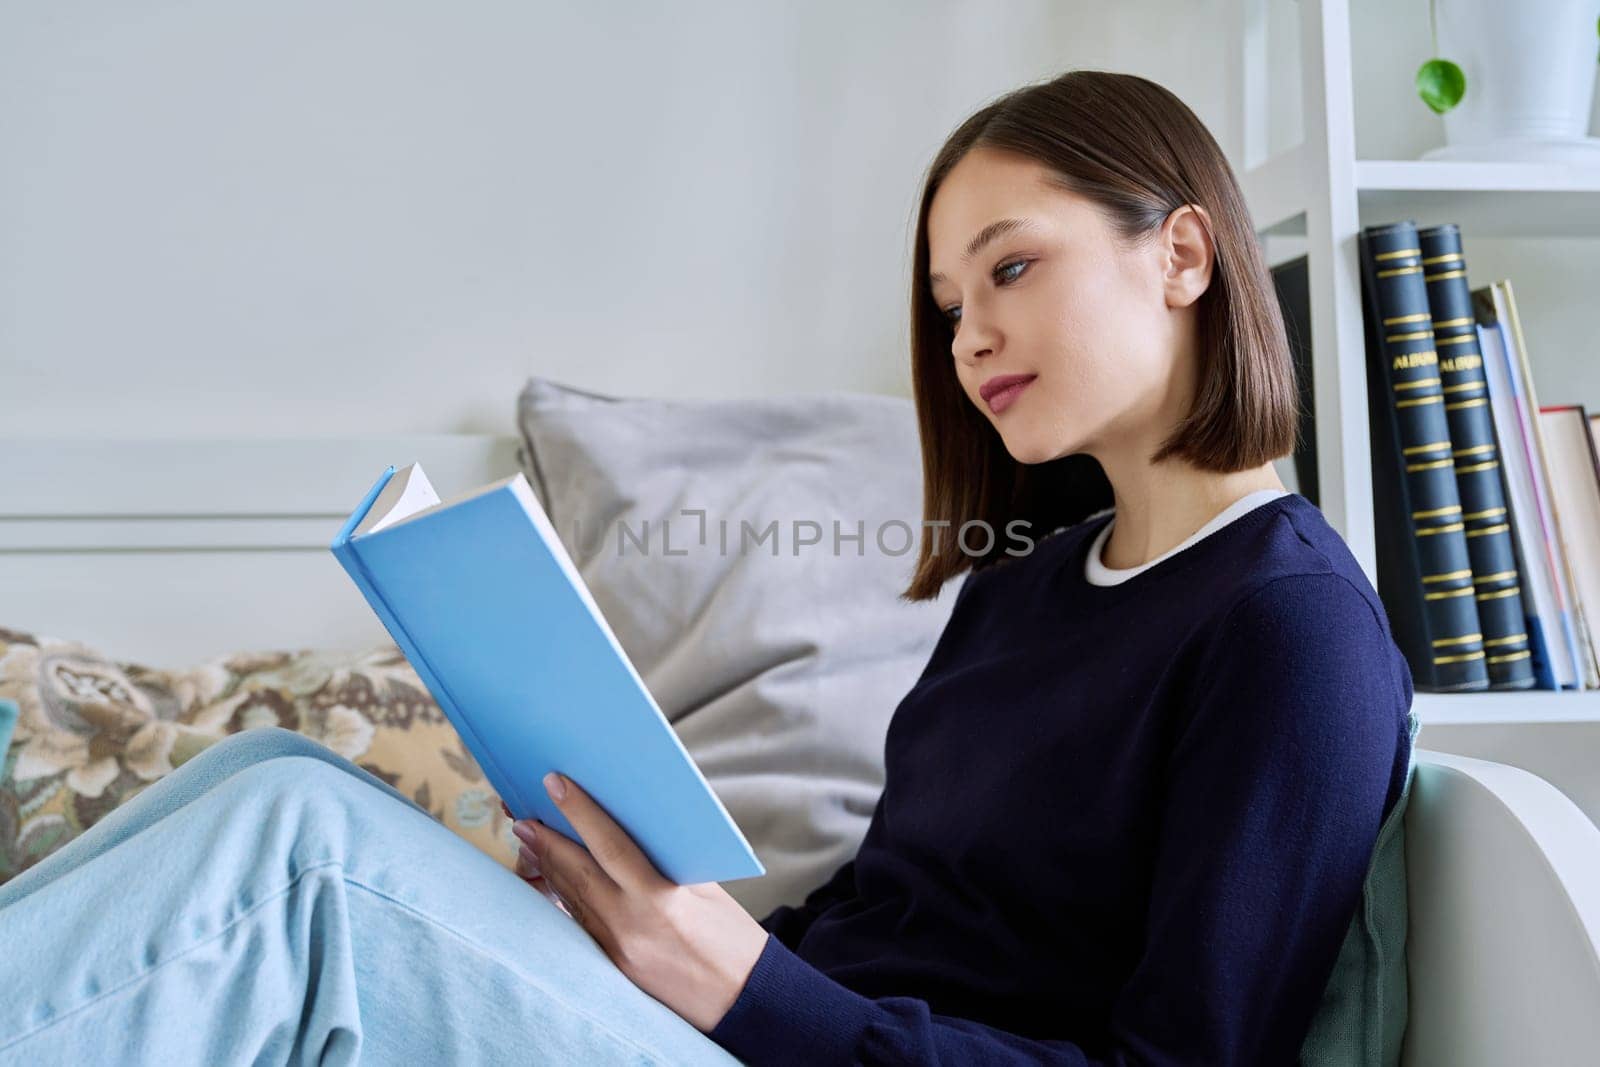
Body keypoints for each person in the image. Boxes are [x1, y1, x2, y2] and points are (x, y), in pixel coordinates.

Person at [0, 69, 1414, 1065]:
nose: (970, 334)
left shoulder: (1291, 635)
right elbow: (892, 919)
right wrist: (647, 927)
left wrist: (742, 991)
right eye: (947, 303)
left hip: (776, 1049)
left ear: (1181, 256)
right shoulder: (1023, 591)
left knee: (301, 864)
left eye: (1012, 268)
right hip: (754, 1032)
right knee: (283, 779)